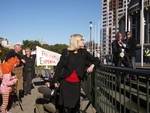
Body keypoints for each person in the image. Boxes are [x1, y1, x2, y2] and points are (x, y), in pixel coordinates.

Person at [52, 34, 100, 113]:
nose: (83, 41)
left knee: (75, 107)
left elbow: (96, 60)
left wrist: (92, 65)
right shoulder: (66, 52)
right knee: (65, 108)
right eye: (81, 40)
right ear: (76, 41)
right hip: (65, 83)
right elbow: (59, 66)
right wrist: (55, 81)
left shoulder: (83, 52)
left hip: (76, 84)